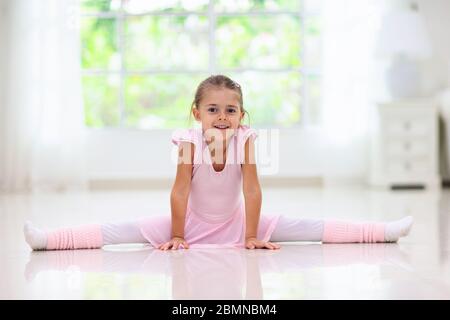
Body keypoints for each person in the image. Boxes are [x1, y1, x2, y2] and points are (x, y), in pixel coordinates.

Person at [24, 75, 413, 251]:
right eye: (213, 109)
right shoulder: (188, 142)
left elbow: (252, 189)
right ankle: (50, 240)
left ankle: (382, 231)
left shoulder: (245, 140)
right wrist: (177, 235)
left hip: (238, 222)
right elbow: (179, 191)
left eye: (231, 110)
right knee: (124, 231)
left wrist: (251, 235)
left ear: (242, 115)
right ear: (197, 113)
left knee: (309, 227)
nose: (223, 116)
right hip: (190, 223)